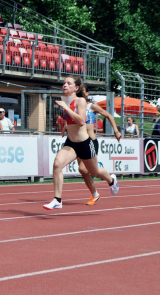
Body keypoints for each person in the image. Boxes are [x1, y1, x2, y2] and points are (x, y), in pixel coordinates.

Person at [43, 76, 118, 210]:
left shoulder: (81, 101)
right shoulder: (66, 100)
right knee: (57, 164)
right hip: (71, 143)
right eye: (64, 83)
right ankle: (57, 200)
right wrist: (65, 125)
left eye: (69, 83)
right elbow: (71, 119)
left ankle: (111, 180)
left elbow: (81, 120)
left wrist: (66, 108)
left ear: (76, 88)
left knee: (94, 171)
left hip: (84, 143)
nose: (65, 85)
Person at [71, 90, 122, 206]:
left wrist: (116, 131)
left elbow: (108, 115)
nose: (78, 95)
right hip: (79, 142)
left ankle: (111, 180)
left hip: (90, 142)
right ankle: (95, 194)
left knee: (89, 170)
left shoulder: (92, 106)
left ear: (87, 93)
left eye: (81, 92)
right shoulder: (75, 107)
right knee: (83, 171)